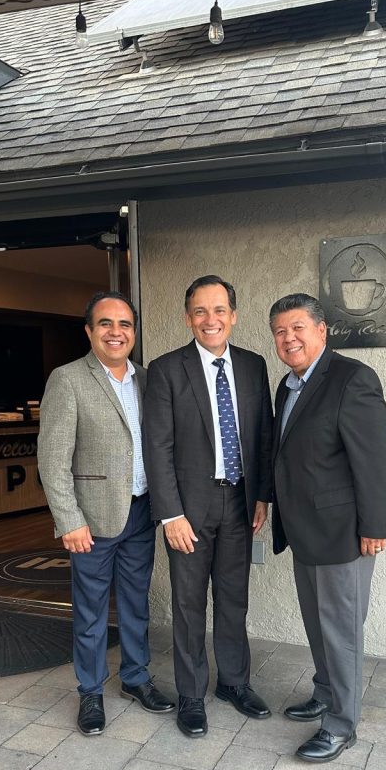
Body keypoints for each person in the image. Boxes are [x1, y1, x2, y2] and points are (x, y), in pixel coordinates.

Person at [38, 291, 174, 736]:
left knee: (136, 604)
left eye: (125, 324)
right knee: (91, 611)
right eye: (106, 324)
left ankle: (135, 678)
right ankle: (91, 691)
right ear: (89, 331)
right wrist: (69, 519)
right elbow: (52, 459)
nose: (116, 332)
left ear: (134, 332)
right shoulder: (68, 379)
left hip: (141, 511)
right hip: (92, 520)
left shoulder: (148, 379)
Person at [143, 275, 273, 738]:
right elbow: (157, 446)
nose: (210, 319)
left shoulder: (254, 366)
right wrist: (170, 514)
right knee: (189, 604)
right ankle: (192, 694)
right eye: (200, 311)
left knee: (234, 599)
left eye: (219, 310)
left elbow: (263, 435)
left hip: (240, 501)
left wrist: (262, 495)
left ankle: (233, 683)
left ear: (233, 316)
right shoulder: (166, 369)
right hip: (188, 511)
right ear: (188, 318)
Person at [269, 293, 386, 762]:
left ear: (322, 330)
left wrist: (375, 526)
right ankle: (325, 692)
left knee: (341, 632)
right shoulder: (287, 386)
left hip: (343, 533)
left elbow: (377, 459)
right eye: (280, 331)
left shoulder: (352, 378)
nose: (289, 338)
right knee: (317, 624)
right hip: (304, 530)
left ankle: (342, 725)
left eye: (298, 328)